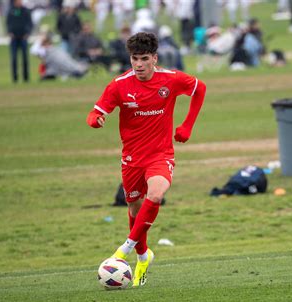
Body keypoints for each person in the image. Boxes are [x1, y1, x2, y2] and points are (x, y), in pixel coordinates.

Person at [86, 32, 206, 286]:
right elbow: (95, 112)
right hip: (131, 158)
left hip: (161, 154)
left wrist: (187, 126)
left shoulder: (170, 80)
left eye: (143, 59)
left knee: (156, 193)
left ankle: (124, 250)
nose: (138, 64)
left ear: (154, 58)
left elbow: (200, 88)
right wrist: (96, 121)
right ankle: (143, 255)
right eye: (134, 59)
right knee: (134, 208)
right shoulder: (119, 85)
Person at [6, 0, 32, 83]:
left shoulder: (25, 11)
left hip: (23, 38)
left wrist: (27, 33)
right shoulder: (11, 11)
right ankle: (15, 78)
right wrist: (10, 32)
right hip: (14, 39)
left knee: (25, 59)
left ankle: (26, 78)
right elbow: (8, 23)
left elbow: (30, 23)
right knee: (14, 59)